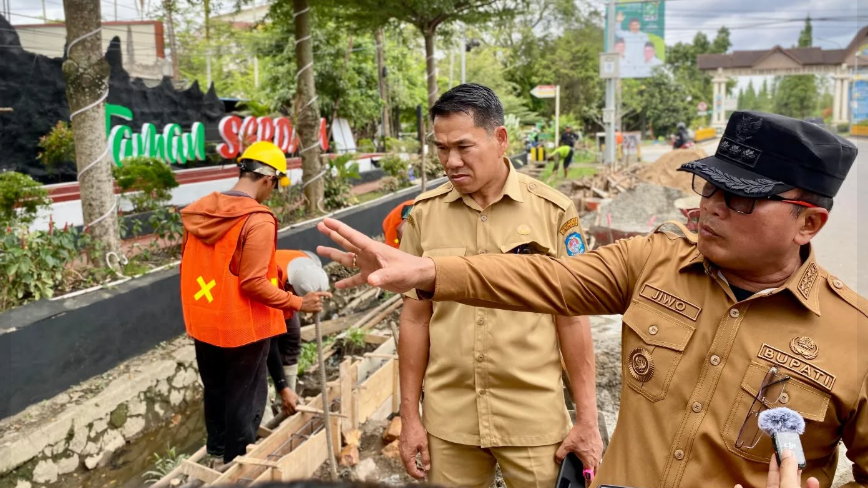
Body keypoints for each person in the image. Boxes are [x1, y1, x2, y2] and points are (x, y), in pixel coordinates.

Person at [314, 111, 866, 488]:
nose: (712, 208)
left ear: (808, 222)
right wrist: (428, 270)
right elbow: (548, 281)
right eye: (710, 188)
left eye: (740, 199)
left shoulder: (855, 341)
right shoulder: (652, 261)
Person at [393, 83, 601, 488]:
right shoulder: (423, 216)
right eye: (441, 148)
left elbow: (573, 320)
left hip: (533, 418)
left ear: (500, 139)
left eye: (463, 147)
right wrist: (410, 418)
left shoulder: (552, 212)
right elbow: (415, 320)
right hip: (449, 422)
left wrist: (588, 421)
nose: (450, 161)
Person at [180, 141, 328, 466]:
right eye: (275, 185)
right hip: (242, 327)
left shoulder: (201, 210)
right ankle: (238, 468)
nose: (272, 193)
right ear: (267, 179)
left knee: (216, 390)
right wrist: (298, 303)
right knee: (244, 400)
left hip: (204, 319)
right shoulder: (258, 219)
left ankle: (217, 453)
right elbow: (253, 282)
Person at [270, 250, 332, 397]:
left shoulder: (308, 263)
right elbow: (269, 344)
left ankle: (290, 394)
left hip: (283, 286)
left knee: (292, 336)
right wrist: (281, 386)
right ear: (290, 288)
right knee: (262, 351)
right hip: (262, 300)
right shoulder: (272, 281)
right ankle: (274, 396)